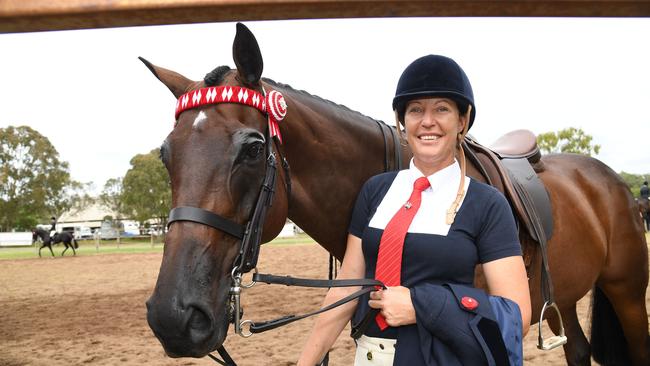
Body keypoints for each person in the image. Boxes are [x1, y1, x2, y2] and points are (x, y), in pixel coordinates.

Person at [297, 55, 531, 366]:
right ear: (403, 122)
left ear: (462, 121)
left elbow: (518, 314)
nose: (427, 121)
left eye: (442, 109)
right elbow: (348, 286)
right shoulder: (375, 191)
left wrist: (421, 307)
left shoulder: (487, 204)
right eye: (416, 110)